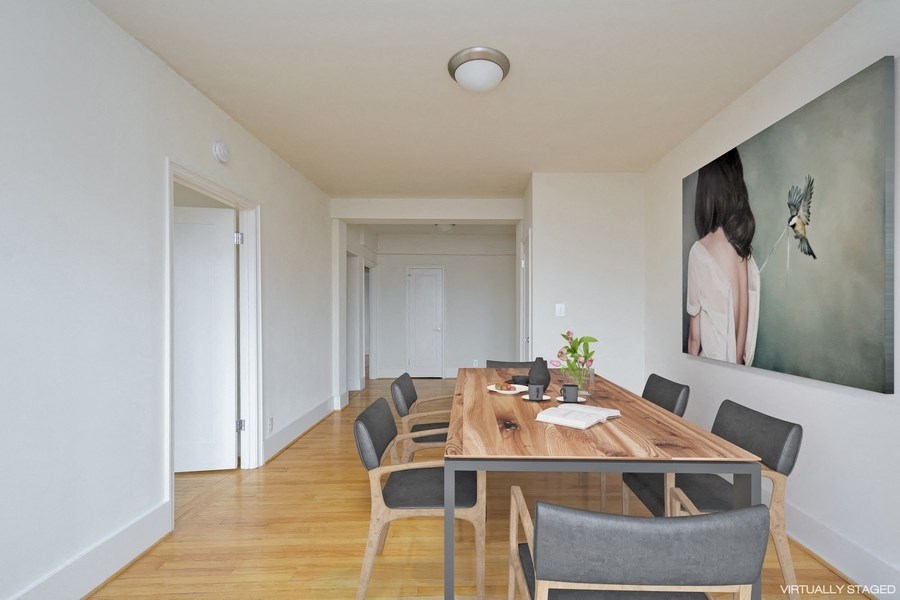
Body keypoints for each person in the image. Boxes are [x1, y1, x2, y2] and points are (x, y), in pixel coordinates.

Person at [686, 148, 759, 365]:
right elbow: (740, 352)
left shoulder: (699, 252)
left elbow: (694, 339)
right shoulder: (744, 255)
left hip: (707, 375)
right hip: (735, 377)